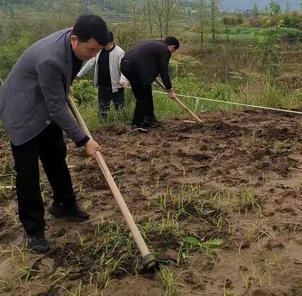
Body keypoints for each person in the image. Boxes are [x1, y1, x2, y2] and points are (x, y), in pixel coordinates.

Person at [0, 15, 107, 253]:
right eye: (90, 49)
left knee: (56, 156)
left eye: (97, 51)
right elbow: (57, 106)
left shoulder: (76, 40)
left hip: (45, 104)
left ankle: (64, 204)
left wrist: (64, 85)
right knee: (27, 174)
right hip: (23, 111)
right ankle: (34, 231)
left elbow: (57, 97)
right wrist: (84, 140)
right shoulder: (51, 59)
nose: (92, 55)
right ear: (75, 40)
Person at [120, 36, 179, 130]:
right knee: (142, 97)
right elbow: (164, 71)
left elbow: (148, 60)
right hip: (134, 69)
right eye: (173, 51)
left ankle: (150, 118)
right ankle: (137, 123)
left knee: (147, 91)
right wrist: (169, 89)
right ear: (172, 46)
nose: (172, 53)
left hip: (125, 65)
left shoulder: (155, 44)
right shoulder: (164, 50)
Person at [76, 30, 128, 118]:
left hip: (116, 86)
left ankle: (122, 126)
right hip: (103, 86)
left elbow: (123, 68)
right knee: (103, 111)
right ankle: (103, 126)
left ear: (111, 41)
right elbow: (90, 63)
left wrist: (123, 80)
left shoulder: (120, 52)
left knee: (120, 109)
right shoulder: (99, 50)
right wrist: (79, 74)